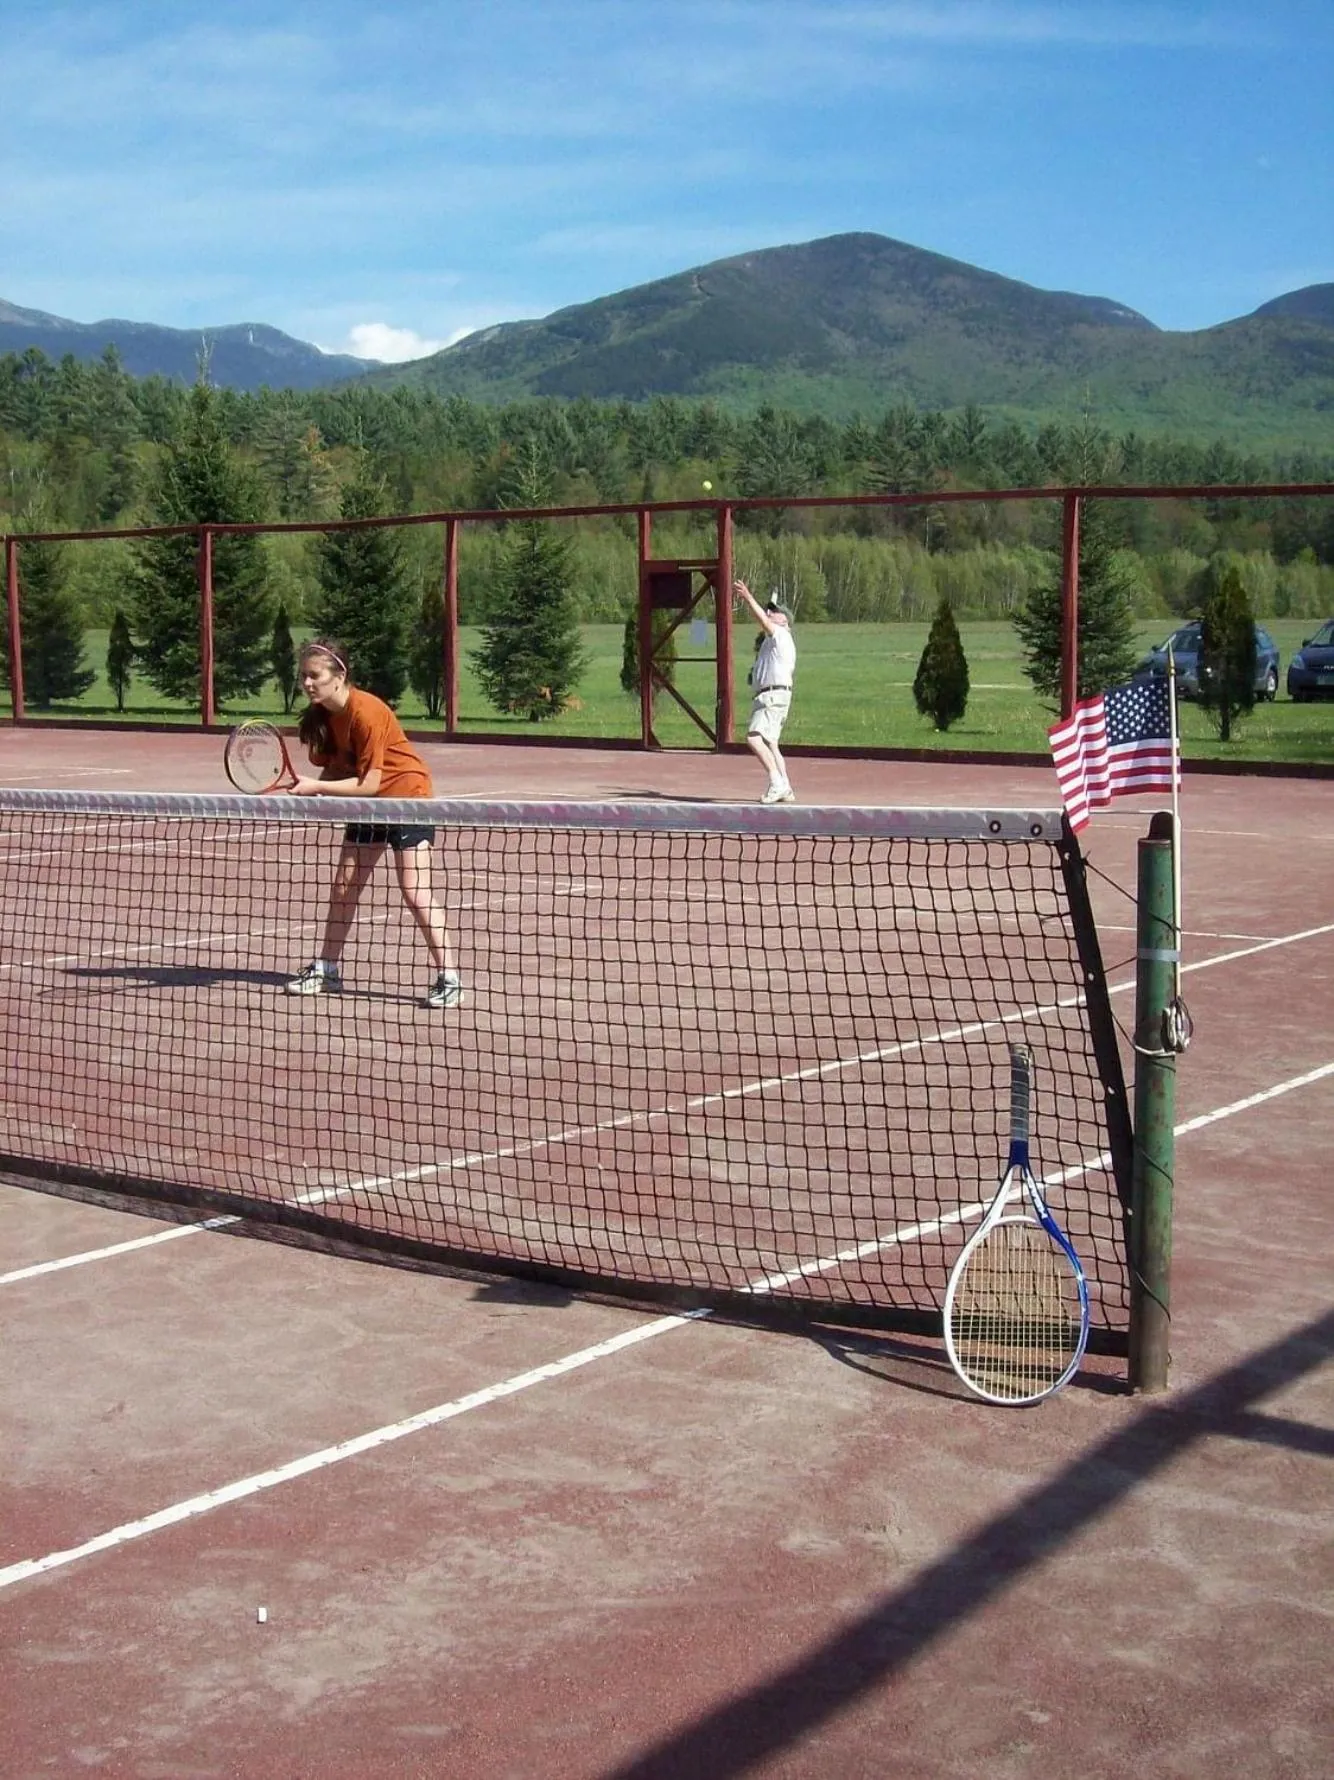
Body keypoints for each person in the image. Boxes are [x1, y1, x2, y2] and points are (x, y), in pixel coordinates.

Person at [283, 640, 463, 1010]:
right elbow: (340, 768)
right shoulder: (323, 716)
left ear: (339, 676)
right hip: (370, 807)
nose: (308, 684)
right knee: (344, 887)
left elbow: (369, 783)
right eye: (304, 676)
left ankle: (450, 977)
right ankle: (327, 968)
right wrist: (316, 784)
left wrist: (318, 786)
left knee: (414, 891)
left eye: (315, 676)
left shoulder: (366, 712)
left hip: (407, 798)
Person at [734, 579, 797, 803]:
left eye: (776, 613)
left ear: (785, 622)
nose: (771, 614)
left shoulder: (780, 634)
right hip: (772, 695)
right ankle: (786, 786)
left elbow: (762, 618)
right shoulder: (772, 641)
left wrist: (747, 596)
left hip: (772, 696)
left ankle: (777, 782)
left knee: (753, 738)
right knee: (771, 744)